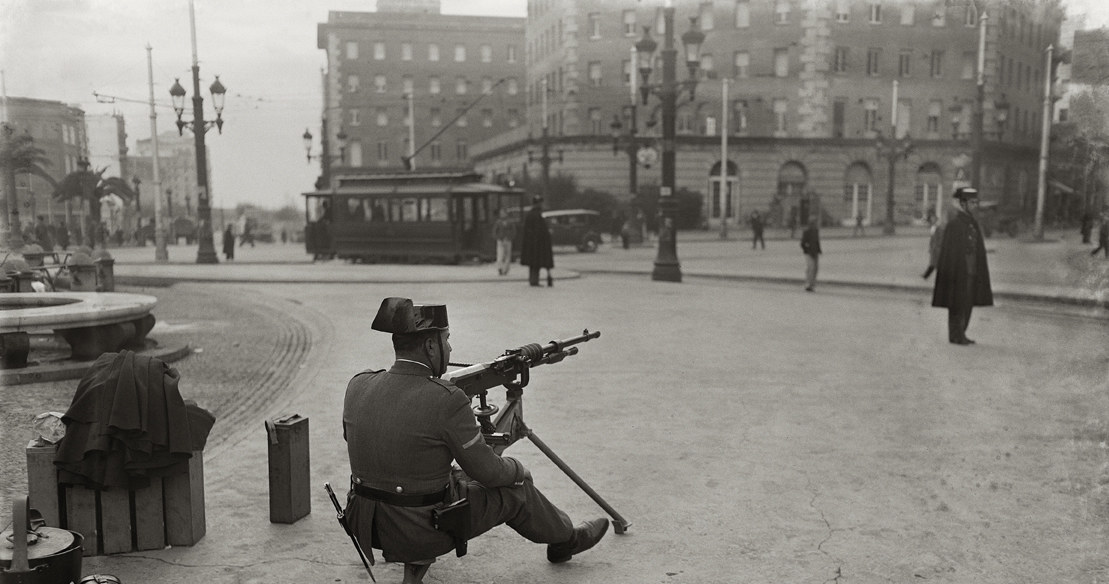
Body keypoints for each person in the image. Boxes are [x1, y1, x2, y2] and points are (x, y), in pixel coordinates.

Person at [341, 297, 609, 574]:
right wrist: (518, 469)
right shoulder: (448, 400)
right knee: (516, 490)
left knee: (451, 474)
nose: (450, 347)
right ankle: (566, 540)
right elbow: (490, 474)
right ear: (430, 346)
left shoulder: (358, 384)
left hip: (366, 523)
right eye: (446, 339)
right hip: (420, 528)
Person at [931, 187, 993, 345]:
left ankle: (961, 333)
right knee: (957, 303)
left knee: (967, 302)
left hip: (971, 271)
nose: (975, 205)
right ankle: (956, 335)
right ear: (963, 204)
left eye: (975, 202)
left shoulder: (972, 223)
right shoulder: (955, 225)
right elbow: (949, 254)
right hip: (958, 273)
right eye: (972, 202)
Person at [520, 196, 554, 287]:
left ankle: (533, 279)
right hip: (537, 244)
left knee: (533, 264)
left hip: (531, 244)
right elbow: (540, 230)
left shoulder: (530, 214)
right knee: (536, 263)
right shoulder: (537, 215)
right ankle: (534, 280)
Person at [492, 208, 517, 276]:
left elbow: (513, 231)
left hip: (508, 240)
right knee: (500, 255)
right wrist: (498, 238)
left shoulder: (510, 222)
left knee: (508, 255)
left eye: (503, 213)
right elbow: (494, 231)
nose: (502, 214)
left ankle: (506, 269)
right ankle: (500, 268)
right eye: (501, 213)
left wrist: (510, 237)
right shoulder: (498, 222)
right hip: (501, 240)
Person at [800, 217, 821, 292]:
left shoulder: (816, 231)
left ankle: (812, 284)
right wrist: (806, 250)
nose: (816, 224)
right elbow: (802, 243)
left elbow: (817, 241)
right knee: (810, 268)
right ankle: (808, 284)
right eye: (815, 223)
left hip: (815, 252)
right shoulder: (807, 231)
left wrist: (819, 250)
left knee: (815, 269)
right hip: (809, 253)